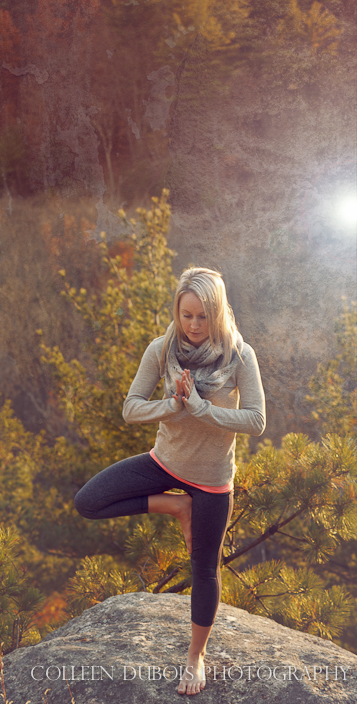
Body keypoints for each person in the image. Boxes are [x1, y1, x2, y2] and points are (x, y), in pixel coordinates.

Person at [74, 266, 266, 696]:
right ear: (177, 312)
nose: (193, 325)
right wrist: (172, 406)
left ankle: (195, 657)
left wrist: (202, 409)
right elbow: (131, 408)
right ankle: (175, 505)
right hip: (164, 462)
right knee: (88, 501)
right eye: (186, 315)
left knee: (204, 569)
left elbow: (256, 420)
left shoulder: (240, 355)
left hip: (212, 480)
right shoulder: (162, 349)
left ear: (218, 312)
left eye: (202, 316)